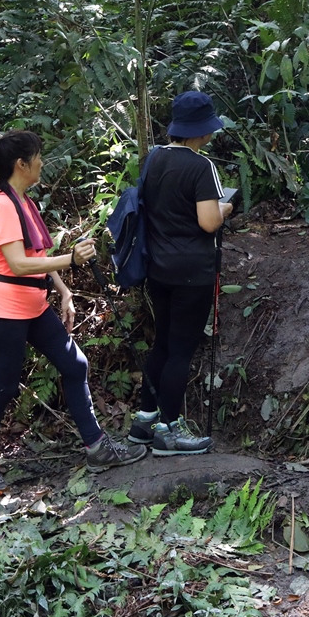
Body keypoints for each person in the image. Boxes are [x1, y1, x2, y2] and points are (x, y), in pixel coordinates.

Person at [0, 130, 146, 491]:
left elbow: (37, 254)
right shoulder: (1, 205)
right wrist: (73, 260)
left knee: (74, 364)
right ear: (22, 164)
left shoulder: (24, 201)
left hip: (33, 306)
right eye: (38, 157)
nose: (41, 163)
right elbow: (17, 264)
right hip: (5, 310)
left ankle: (96, 447)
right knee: (3, 387)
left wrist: (63, 289)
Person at [127, 91, 233, 455]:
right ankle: (169, 431)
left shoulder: (153, 158)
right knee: (181, 350)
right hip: (193, 272)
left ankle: (144, 421)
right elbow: (208, 222)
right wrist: (227, 207)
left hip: (158, 268)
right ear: (201, 131)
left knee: (163, 342)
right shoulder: (201, 167)